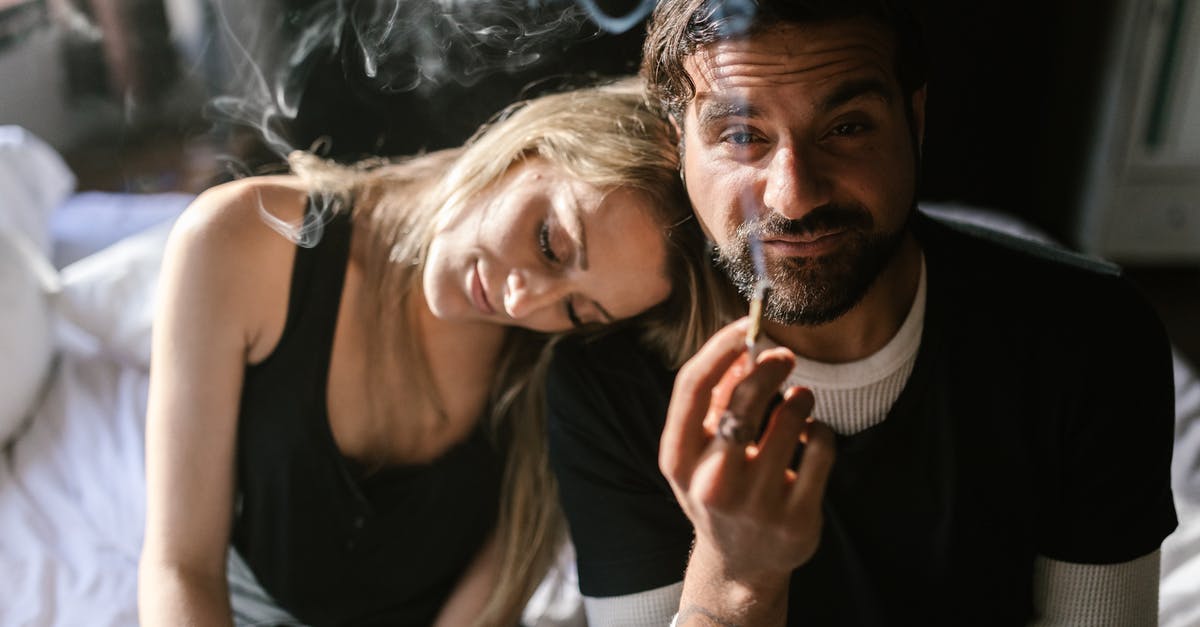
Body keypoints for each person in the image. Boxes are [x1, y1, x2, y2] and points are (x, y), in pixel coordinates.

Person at [546, 1, 1179, 625]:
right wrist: (737, 574)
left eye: (847, 127)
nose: (793, 197)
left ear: (916, 121)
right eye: (741, 135)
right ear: (676, 146)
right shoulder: (613, 376)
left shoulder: (1092, 336)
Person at [137, 80, 725, 626]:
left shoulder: (545, 388)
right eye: (550, 243)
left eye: (575, 311)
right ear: (531, 146)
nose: (524, 302)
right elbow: (179, 566)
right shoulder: (243, 242)